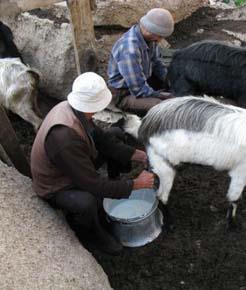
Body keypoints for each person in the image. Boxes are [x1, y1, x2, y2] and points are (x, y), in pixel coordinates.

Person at [30, 72, 155, 255]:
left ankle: (115, 184)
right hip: (57, 185)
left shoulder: (74, 109)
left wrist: (139, 155)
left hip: (75, 164)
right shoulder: (63, 138)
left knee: (115, 135)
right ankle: (93, 235)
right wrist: (136, 185)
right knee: (87, 202)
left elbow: (102, 140)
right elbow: (91, 183)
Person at [107, 8, 175, 115]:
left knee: (173, 88)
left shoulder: (150, 39)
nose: (161, 39)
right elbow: (138, 89)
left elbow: (157, 64)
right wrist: (163, 96)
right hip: (123, 94)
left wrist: (171, 82)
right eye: (160, 36)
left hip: (143, 81)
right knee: (162, 107)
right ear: (150, 30)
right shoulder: (129, 49)